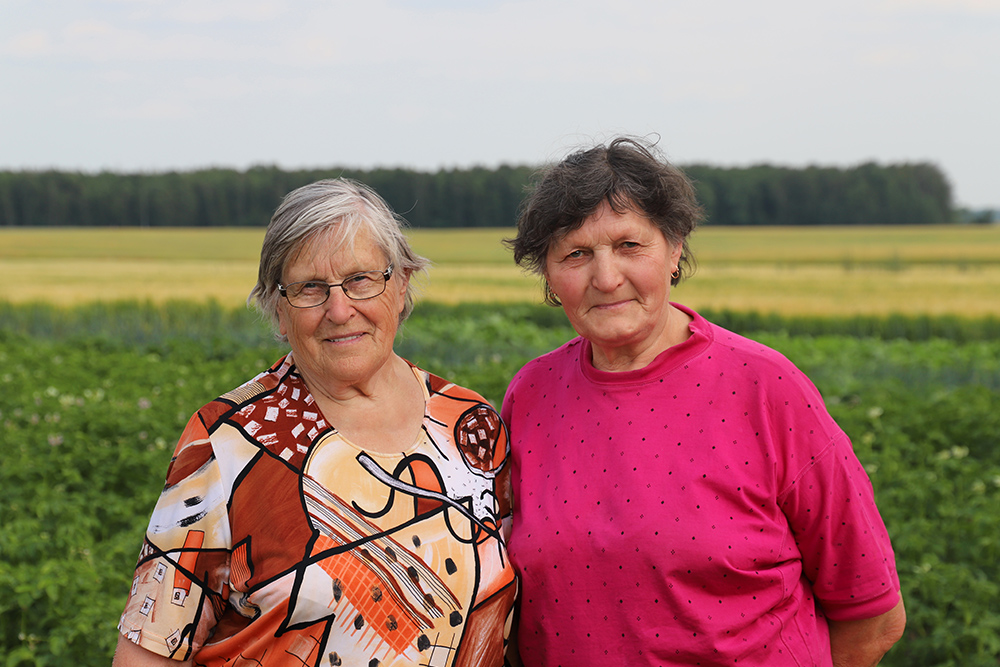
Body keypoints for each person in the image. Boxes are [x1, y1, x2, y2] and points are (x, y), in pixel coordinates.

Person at [501, 137, 905, 666]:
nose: (605, 277)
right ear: (550, 277)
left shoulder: (766, 389)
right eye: (576, 254)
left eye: (629, 246)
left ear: (674, 249)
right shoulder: (530, 394)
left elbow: (873, 615)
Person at [114, 178, 517, 667]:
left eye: (361, 280)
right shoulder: (228, 442)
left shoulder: (470, 422)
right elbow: (149, 652)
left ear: (403, 283)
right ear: (278, 309)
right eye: (310, 288)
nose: (340, 309)